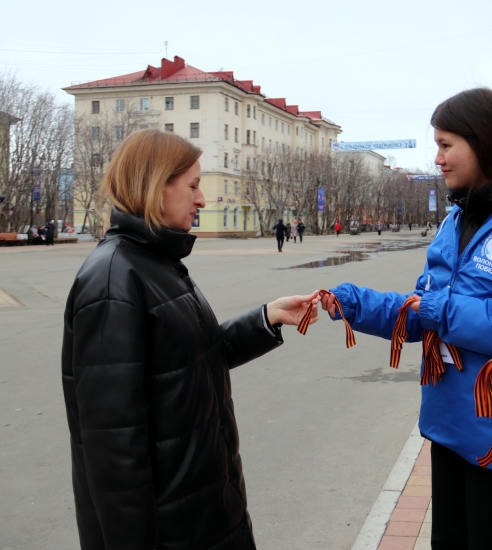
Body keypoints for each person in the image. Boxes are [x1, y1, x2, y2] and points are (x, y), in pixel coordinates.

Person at [320, 88, 492, 549]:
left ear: (482, 143)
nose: (438, 158)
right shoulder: (455, 221)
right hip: (448, 428)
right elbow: (424, 311)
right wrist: (354, 304)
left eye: (446, 145)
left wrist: (449, 311)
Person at [61, 129, 320, 550]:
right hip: (174, 529)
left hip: (206, 511)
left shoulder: (156, 263)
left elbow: (191, 359)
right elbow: (113, 448)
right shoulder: (114, 280)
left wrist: (266, 318)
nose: (201, 199)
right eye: (193, 186)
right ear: (154, 185)